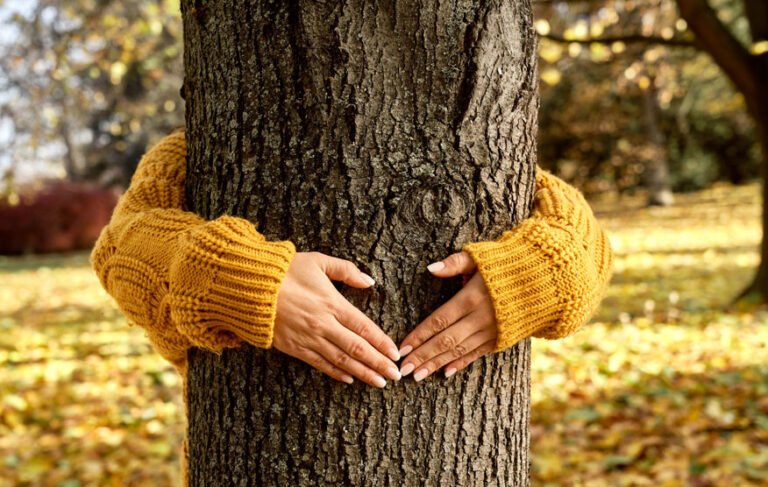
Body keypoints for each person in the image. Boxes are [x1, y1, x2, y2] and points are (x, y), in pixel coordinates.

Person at [90, 129, 612, 480]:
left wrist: (540, 274)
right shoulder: (199, 147)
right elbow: (118, 250)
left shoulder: (481, 140)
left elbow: (585, 240)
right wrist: (242, 279)